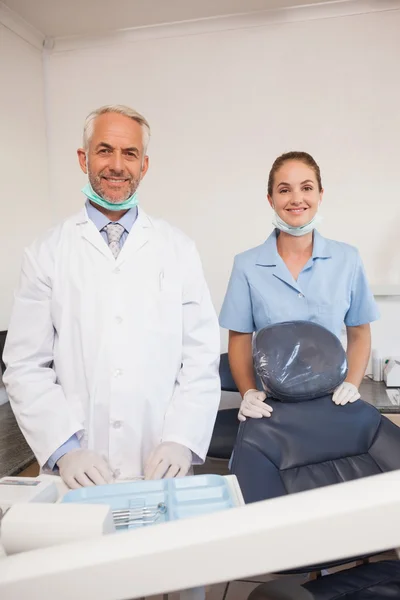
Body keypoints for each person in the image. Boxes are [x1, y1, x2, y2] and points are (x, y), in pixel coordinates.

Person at [3, 105, 220, 489]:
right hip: (77, 472)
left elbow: (201, 358)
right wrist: (63, 448)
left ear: (145, 165)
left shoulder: (178, 249)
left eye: (130, 153)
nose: (117, 165)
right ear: (84, 158)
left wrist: (182, 440)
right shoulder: (47, 252)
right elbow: (24, 364)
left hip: (160, 463)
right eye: (105, 150)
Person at [219, 151, 379, 422]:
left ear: (320, 195)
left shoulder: (347, 259)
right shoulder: (247, 265)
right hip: (271, 409)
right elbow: (240, 339)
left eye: (306, 187)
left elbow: (360, 332)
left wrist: (351, 383)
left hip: (332, 405)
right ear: (271, 199)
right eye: (284, 190)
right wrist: (248, 392)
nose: (296, 199)